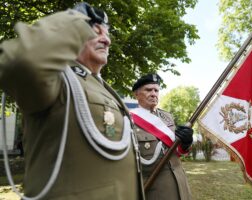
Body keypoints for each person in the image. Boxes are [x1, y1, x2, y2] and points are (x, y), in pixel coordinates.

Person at [0, 2, 144, 200]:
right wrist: (75, 20)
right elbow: (22, 62)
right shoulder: (55, 81)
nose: (107, 40)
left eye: (107, 34)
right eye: (95, 30)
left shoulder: (101, 87)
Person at [130, 74, 193, 200]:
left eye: (156, 90)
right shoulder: (128, 120)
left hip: (180, 183)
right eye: (148, 90)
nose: (154, 94)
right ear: (136, 94)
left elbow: (176, 151)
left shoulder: (167, 117)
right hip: (155, 189)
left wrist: (186, 143)